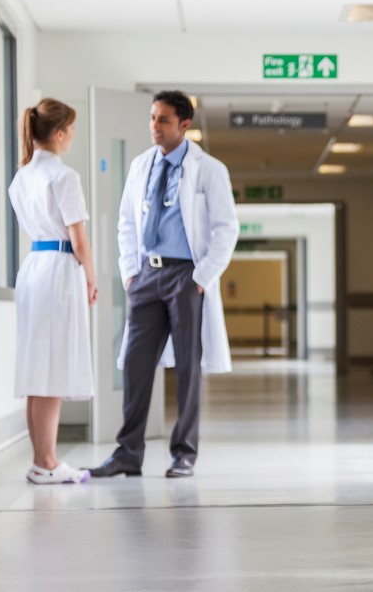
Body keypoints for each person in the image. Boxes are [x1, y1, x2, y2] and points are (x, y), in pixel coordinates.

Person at [88, 90, 238, 479]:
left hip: (187, 275)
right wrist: (129, 273)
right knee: (136, 363)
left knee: (188, 365)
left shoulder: (209, 169)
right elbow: (125, 221)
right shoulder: (141, 165)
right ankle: (127, 452)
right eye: (153, 118)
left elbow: (226, 229)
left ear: (184, 125)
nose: (155, 126)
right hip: (146, 275)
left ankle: (184, 452)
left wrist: (202, 278)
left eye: (164, 120)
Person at [8, 98, 97, 485]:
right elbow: (79, 240)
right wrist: (92, 278)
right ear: (59, 133)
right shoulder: (64, 177)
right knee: (52, 367)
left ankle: (42, 458)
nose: (73, 136)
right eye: (72, 129)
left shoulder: (22, 176)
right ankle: (46, 461)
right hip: (60, 269)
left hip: (33, 268)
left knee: (37, 367)